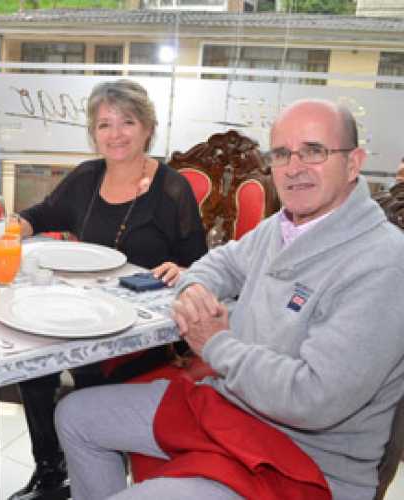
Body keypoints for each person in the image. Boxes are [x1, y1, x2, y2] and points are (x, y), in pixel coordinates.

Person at [55, 99, 404, 500]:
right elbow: (214, 264)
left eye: (314, 151)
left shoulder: (383, 262)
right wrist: (195, 290)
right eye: (282, 153)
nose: (294, 167)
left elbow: (314, 399)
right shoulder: (282, 226)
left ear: (353, 163)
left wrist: (216, 343)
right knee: (75, 415)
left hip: (305, 461)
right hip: (234, 408)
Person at [8, 79, 208, 500]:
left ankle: (98, 469)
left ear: (147, 128)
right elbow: (41, 213)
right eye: (104, 125)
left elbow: (200, 261)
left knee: (88, 374)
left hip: (142, 331)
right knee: (32, 366)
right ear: (93, 133)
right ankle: (50, 473)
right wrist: (14, 227)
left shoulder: (172, 189)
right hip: (85, 312)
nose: (115, 134)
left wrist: (181, 267)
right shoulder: (87, 177)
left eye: (127, 122)